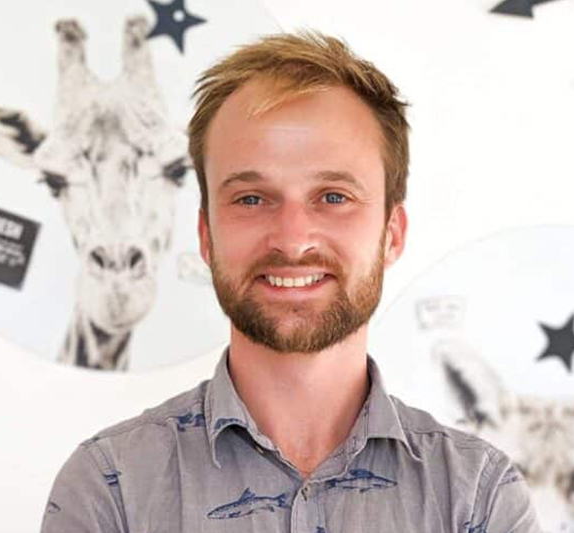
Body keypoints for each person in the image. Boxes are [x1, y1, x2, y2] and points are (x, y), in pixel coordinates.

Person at [41, 31, 542, 533]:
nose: (293, 240)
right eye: (252, 199)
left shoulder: (478, 494)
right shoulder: (112, 487)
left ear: (392, 233)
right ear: (206, 234)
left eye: (333, 196)